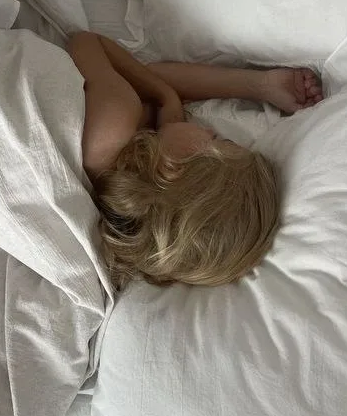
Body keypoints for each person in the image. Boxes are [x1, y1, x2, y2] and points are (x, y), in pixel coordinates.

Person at [68, 32, 322, 289]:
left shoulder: (117, 121)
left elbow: (84, 41)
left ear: (174, 168)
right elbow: (143, 77)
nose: (208, 129)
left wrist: (165, 94)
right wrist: (261, 85)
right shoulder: (125, 189)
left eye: (217, 139)